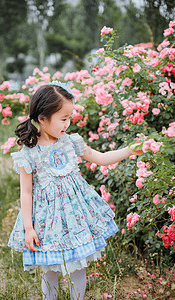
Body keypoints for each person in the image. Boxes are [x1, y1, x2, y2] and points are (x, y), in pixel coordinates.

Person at [8, 81, 142, 300]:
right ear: (42, 118)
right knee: (50, 267)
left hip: (76, 217)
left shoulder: (71, 142)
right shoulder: (29, 153)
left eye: (69, 118)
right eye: (63, 119)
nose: (67, 124)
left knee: (79, 266)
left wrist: (130, 150)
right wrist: (28, 228)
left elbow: (101, 159)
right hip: (47, 220)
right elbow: (26, 193)